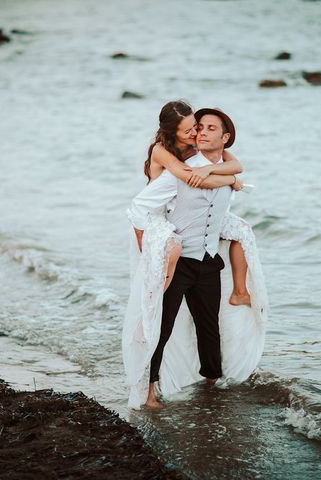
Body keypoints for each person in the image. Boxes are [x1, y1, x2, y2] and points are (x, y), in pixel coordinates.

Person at [124, 105, 269, 409]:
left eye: (210, 128)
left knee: (208, 325)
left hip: (207, 261)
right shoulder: (181, 170)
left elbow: (225, 195)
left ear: (225, 138)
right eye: (198, 128)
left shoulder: (225, 168)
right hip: (177, 264)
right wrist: (148, 245)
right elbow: (139, 205)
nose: (202, 132)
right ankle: (148, 392)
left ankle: (212, 383)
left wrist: (226, 177)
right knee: (161, 328)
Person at [140, 100, 251, 307]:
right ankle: (152, 304)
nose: (196, 134)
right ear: (173, 132)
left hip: (180, 213)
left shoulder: (193, 147)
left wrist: (211, 169)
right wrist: (231, 180)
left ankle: (240, 291)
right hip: (156, 217)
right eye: (190, 130)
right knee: (171, 256)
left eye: (196, 127)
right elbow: (200, 181)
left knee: (242, 231)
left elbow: (236, 165)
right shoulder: (161, 151)